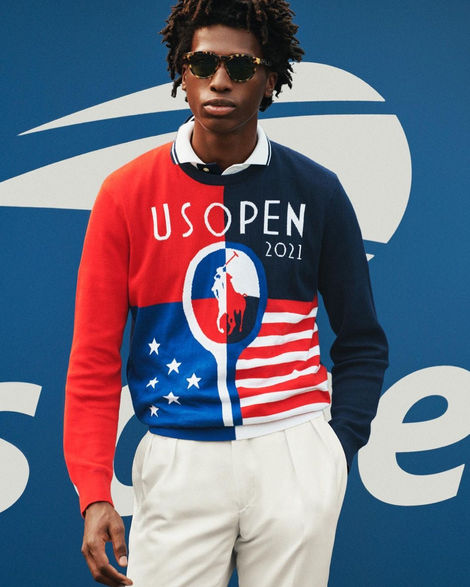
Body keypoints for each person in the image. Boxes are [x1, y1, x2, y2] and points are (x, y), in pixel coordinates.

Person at [64, 1, 388, 586]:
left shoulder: (317, 191)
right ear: (181, 72)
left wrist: (334, 451)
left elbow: (362, 339)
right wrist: (94, 490)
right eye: (203, 63)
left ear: (270, 78)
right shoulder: (125, 194)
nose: (219, 80)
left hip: (294, 453)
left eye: (240, 66)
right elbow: (93, 358)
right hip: (178, 456)